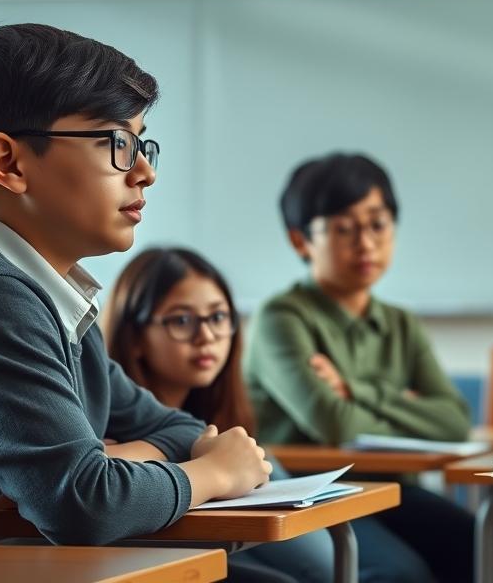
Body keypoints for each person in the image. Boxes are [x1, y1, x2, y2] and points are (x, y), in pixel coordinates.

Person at [0, 24, 270, 544]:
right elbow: (85, 506)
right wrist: (215, 475)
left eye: (141, 143)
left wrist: (112, 461)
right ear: (9, 163)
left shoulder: (51, 295)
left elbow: (179, 430)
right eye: (118, 143)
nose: (145, 172)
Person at [245, 152, 474, 583]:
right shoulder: (281, 317)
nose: (366, 243)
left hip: (390, 490)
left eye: (377, 224)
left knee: (476, 542)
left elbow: (455, 421)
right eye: (344, 229)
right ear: (300, 240)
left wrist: (355, 389)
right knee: (400, 573)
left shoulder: (400, 321)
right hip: (310, 493)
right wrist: (398, 405)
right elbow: (334, 422)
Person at [105, 247, 334, 583]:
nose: (206, 336)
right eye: (181, 320)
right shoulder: (108, 412)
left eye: (217, 317)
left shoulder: (219, 421)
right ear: (135, 336)